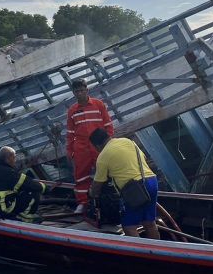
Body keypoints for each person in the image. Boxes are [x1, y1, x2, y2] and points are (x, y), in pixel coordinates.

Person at [88, 128, 160, 239]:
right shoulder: (128, 141)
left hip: (134, 190)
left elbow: (97, 185)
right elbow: (143, 159)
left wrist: (91, 193)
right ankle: (156, 252)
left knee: (129, 226)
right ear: (109, 136)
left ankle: (140, 255)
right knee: (149, 223)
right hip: (151, 181)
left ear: (97, 146)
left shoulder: (103, 156)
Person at [66, 78, 114, 213]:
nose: (80, 93)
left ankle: (111, 197)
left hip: (99, 145)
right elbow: (70, 133)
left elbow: (108, 125)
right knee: (81, 175)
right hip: (81, 147)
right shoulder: (72, 111)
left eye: (82, 90)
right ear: (73, 93)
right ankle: (82, 202)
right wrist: (69, 150)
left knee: (107, 171)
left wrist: (109, 142)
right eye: (77, 91)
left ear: (87, 90)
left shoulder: (99, 105)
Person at [0, 146, 47, 223]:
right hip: (3, 209)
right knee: (33, 192)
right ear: (8, 158)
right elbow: (29, 184)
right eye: (14, 157)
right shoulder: (8, 172)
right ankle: (25, 216)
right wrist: (45, 188)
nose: (15, 160)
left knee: (19, 190)